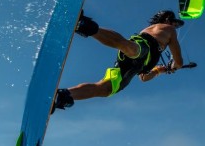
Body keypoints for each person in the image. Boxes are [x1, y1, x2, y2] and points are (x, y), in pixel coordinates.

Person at [52, 10, 184, 112]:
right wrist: (174, 66)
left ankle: (64, 96)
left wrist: (159, 70)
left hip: (137, 65)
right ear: (167, 19)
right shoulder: (167, 29)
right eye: (174, 23)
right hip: (143, 48)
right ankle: (86, 26)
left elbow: (143, 78)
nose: (176, 26)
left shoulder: (159, 33)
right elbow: (179, 62)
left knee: (105, 89)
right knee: (133, 49)